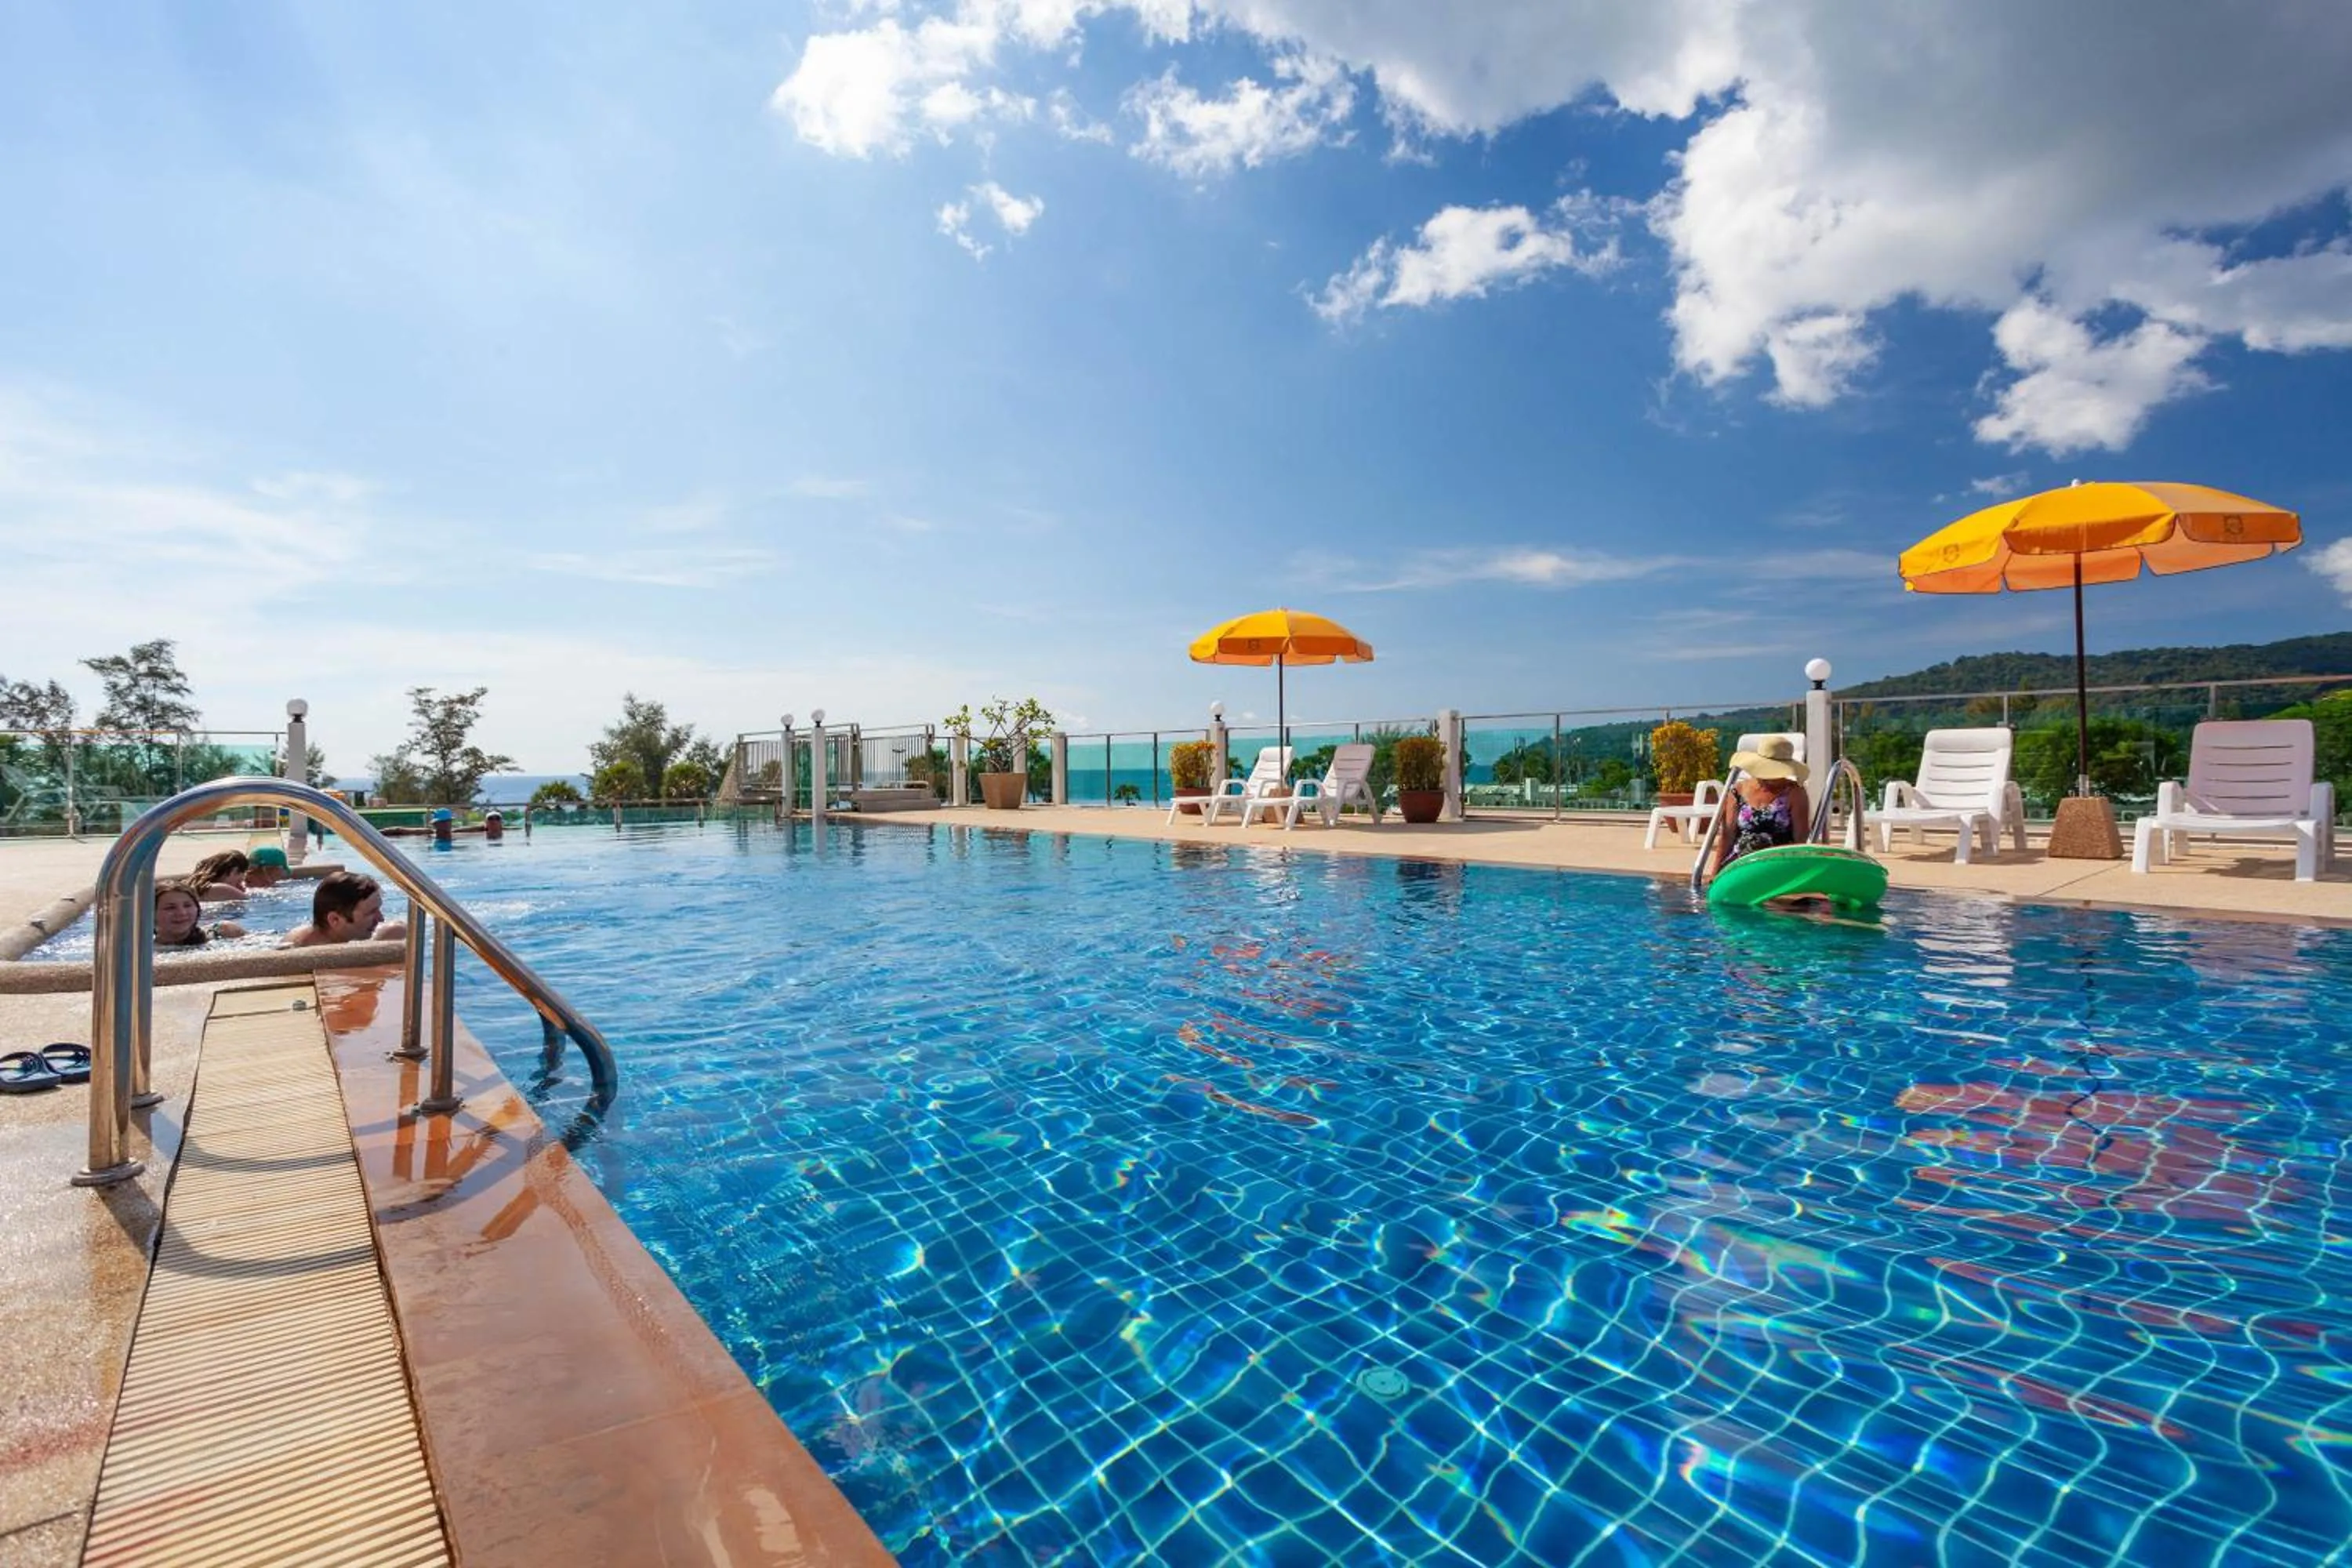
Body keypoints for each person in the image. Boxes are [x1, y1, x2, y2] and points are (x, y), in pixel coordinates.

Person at [1708, 736, 1813, 880]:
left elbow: (1800, 837)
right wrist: (1715, 873)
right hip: (1740, 863)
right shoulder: (1738, 791)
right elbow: (1727, 836)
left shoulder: (1795, 793)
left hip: (1778, 864)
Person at [281, 871, 407, 947]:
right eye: (371, 912)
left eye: (378, 909)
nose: (381, 918)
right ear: (335, 920)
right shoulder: (296, 948)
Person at [156, 878, 245, 946]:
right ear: (151, 914)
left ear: (197, 909)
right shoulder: (150, 951)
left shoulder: (224, 931)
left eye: (187, 905)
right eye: (170, 908)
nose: (182, 913)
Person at [184, 849, 252, 902]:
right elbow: (250, 902)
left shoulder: (195, 886)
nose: (240, 886)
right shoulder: (222, 889)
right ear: (234, 871)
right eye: (239, 882)